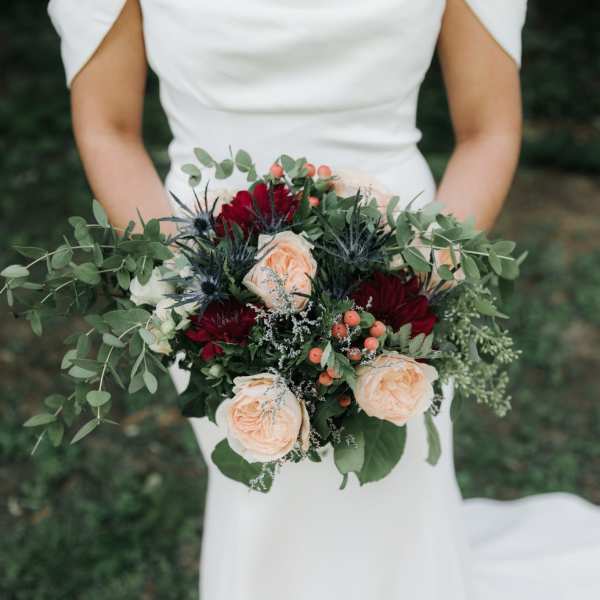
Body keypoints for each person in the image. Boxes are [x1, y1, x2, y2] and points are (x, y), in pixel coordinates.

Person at [48, 1, 600, 598]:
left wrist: (427, 273)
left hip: (401, 260)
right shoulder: (197, 280)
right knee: (261, 493)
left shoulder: (414, 271)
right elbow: (109, 128)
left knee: (398, 486)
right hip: (210, 268)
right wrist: (183, 285)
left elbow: (488, 130)